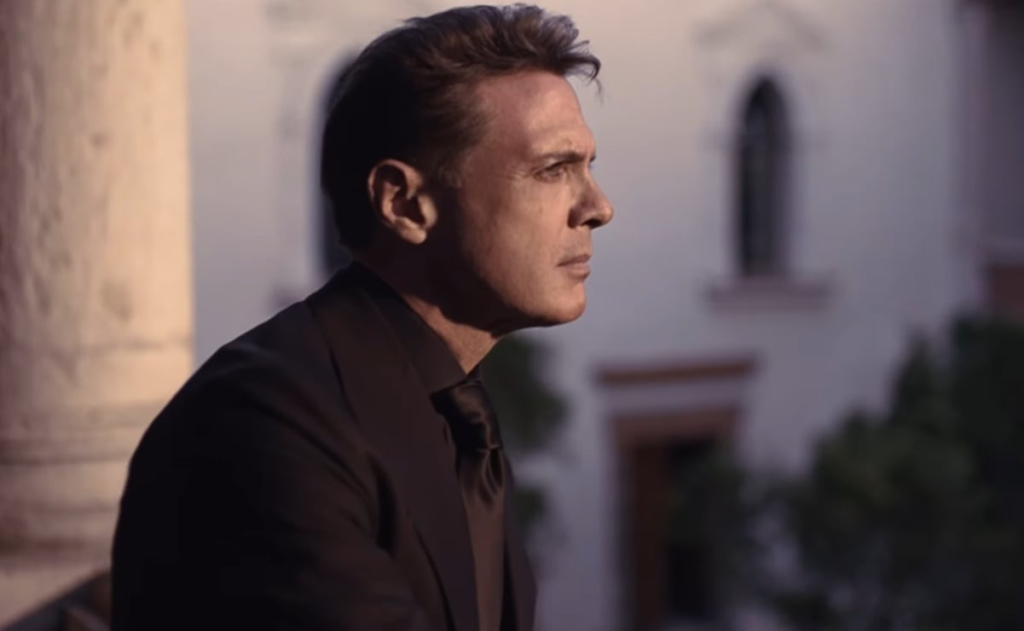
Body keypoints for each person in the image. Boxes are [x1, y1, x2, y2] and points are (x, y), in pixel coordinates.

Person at [111, 4, 613, 630]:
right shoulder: (267, 420)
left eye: (587, 168)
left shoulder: (452, 408)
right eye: (552, 170)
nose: (598, 207)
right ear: (404, 203)